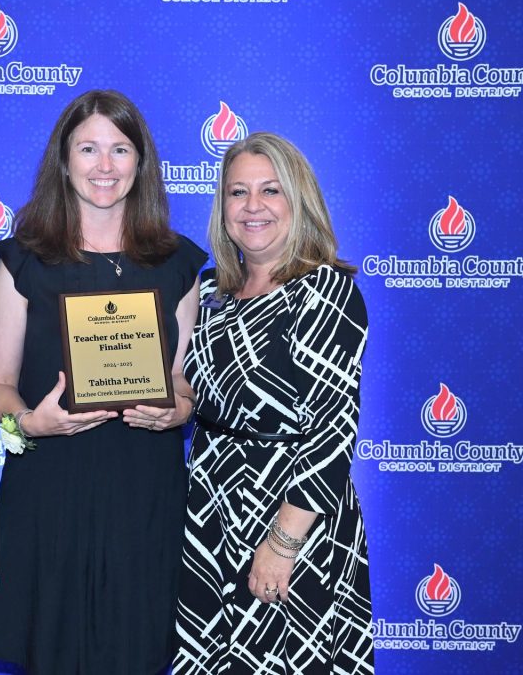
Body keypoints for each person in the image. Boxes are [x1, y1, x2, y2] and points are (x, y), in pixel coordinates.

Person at [0, 89, 207, 674]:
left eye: (120, 149)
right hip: (50, 491)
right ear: (64, 160)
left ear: (142, 162)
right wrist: (29, 423)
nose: (104, 166)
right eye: (88, 148)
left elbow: (180, 377)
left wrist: (180, 411)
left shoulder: (178, 262)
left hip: (143, 493)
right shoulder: (22, 262)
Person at [173, 132, 374, 674]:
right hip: (210, 511)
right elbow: (199, 390)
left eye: (270, 191)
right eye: (238, 192)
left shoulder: (325, 290)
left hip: (291, 515)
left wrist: (283, 542)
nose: (253, 206)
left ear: (298, 199)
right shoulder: (212, 289)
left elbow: (333, 431)